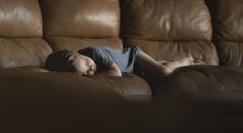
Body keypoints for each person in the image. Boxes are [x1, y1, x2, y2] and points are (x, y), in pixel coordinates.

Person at [44, 45, 204, 77]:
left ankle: (186, 61)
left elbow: (116, 73)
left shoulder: (95, 52)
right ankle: (164, 61)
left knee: (165, 71)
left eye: (86, 63)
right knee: (160, 67)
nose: (91, 68)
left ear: (77, 53)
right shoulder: (82, 65)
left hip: (134, 58)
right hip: (135, 70)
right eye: (86, 73)